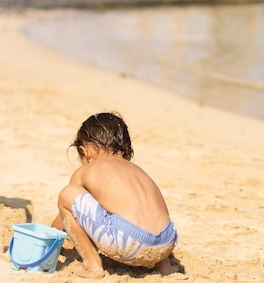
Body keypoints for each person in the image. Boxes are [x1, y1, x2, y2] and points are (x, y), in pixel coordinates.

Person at [53, 112, 179, 278]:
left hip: (129, 243)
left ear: (85, 151)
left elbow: (62, 220)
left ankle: (92, 265)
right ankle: (165, 267)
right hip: (166, 242)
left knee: (67, 194)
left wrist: (50, 233)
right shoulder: (137, 170)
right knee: (146, 213)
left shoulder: (86, 171)